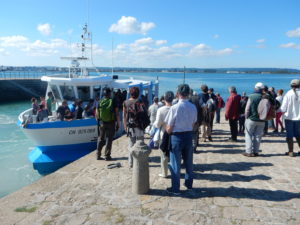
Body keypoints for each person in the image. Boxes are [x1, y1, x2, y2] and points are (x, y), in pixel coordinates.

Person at [165, 84, 197, 195]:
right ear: (188, 94)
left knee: (175, 164)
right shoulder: (193, 107)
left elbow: (169, 127)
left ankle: (175, 188)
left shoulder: (174, 108)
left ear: (178, 94)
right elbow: (193, 123)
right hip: (188, 135)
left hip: (176, 137)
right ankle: (189, 184)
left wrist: (167, 132)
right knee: (189, 162)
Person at [123, 87, 149, 167]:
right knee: (140, 143)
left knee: (131, 143)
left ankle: (131, 162)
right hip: (140, 126)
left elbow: (124, 116)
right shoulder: (141, 101)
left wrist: (125, 126)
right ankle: (140, 160)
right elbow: (145, 112)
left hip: (131, 126)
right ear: (138, 94)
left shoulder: (126, 102)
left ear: (130, 93)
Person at [153, 91, 174, 178]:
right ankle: (175, 172)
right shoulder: (175, 108)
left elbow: (157, 124)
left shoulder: (160, 110)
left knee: (164, 154)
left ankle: (164, 173)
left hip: (163, 134)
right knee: (174, 154)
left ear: (164, 99)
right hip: (174, 134)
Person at [96, 88, 120, 161]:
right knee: (109, 139)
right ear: (109, 94)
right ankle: (107, 156)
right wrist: (118, 123)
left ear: (103, 94)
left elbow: (96, 114)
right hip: (111, 123)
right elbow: (117, 113)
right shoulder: (113, 101)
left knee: (100, 138)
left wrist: (99, 122)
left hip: (102, 123)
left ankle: (98, 155)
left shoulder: (99, 102)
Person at [244, 82, 266, 157]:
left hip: (252, 119)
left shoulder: (251, 96)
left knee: (249, 135)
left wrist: (246, 117)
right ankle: (256, 151)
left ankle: (249, 151)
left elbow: (247, 109)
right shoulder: (265, 97)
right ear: (262, 89)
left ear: (255, 88)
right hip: (262, 119)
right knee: (258, 136)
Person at [280, 79, 300, 157]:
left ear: (291, 85)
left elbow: (283, 108)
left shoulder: (288, 93)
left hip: (289, 117)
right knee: (298, 134)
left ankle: (291, 151)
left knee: (289, 135)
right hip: (299, 118)